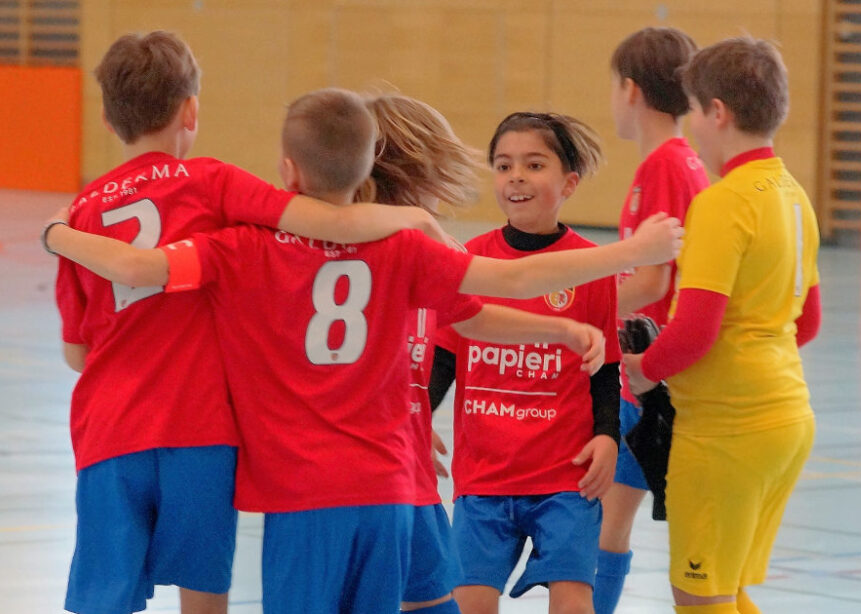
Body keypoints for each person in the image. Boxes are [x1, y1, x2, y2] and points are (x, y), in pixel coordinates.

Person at [46, 88, 684, 614]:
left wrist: (59, 233)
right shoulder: (410, 248)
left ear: (288, 173)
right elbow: (502, 295)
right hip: (387, 485)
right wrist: (609, 276)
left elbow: (136, 266)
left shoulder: (245, 247)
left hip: (306, 493)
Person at [55, 32, 453, 614]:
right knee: (204, 591)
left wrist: (57, 235)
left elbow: (76, 353)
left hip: (110, 428)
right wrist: (413, 218)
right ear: (191, 109)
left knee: (103, 598)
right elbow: (319, 220)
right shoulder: (212, 183)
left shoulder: (83, 212)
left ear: (109, 120)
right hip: (201, 429)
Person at [623, 37, 822, 614]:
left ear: (718, 112)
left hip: (726, 434)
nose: (693, 132)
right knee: (724, 591)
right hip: (786, 418)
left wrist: (643, 370)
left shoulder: (722, 203)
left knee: (698, 594)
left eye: (694, 113)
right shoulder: (794, 196)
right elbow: (804, 322)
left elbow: (695, 332)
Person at [429, 111, 621, 614]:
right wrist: (416, 421)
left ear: (569, 183)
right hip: (484, 475)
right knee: (466, 601)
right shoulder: (470, 262)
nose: (516, 176)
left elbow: (605, 367)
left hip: (564, 476)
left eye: (534, 165)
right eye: (503, 165)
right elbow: (443, 358)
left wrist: (607, 435)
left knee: (574, 601)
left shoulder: (590, 267)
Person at [595, 26, 710, 614]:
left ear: (631, 90)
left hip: (647, 376)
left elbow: (653, 278)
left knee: (605, 528)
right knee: (608, 526)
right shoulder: (679, 162)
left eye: (613, 86)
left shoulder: (665, 165)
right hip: (655, 374)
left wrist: (579, 313)